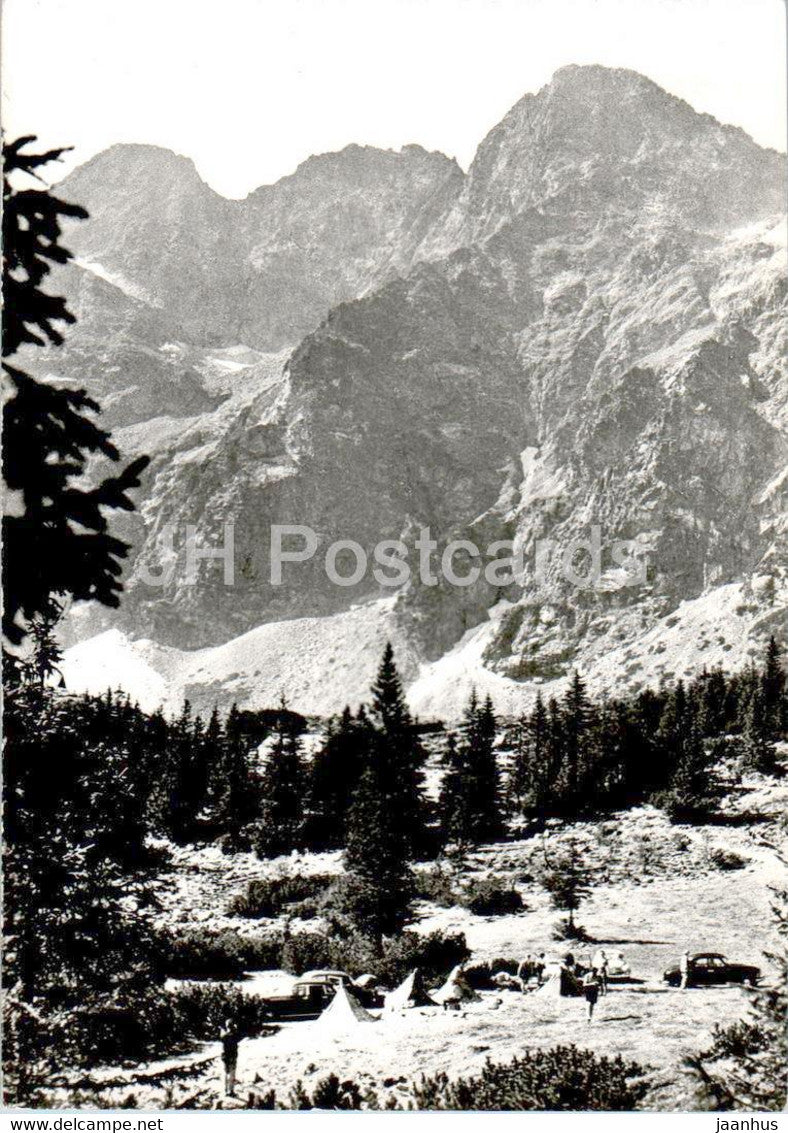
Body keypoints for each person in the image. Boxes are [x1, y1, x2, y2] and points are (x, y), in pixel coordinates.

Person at [220, 1016, 241, 1097]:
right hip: (232, 1055)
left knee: (225, 1073)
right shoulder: (235, 1034)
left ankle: (225, 1090)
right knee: (232, 1073)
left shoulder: (224, 1035)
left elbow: (222, 1038)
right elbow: (239, 1037)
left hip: (225, 1055)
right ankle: (231, 1091)